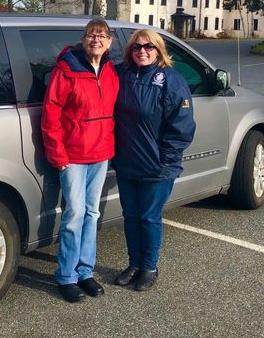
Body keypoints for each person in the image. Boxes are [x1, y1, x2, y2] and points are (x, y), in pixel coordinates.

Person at [41, 18, 119, 303]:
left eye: (102, 35)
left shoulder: (111, 70)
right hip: (73, 155)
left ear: (109, 42)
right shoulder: (67, 70)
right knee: (73, 215)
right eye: (91, 35)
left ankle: (85, 271)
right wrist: (57, 153)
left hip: (101, 154)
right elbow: (51, 114)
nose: (96, 39)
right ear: (83, 40)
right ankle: (66, 276)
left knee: (92, 213)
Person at [112, 29, 196, 291]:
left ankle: (149, 266)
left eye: (149, 47)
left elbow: (182, 126)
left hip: (157, 165)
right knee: (131, 216)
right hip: (127, 162)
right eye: (137, 47)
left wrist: (166, 160)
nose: (142, 51)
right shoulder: (121, 74)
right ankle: (134, 263)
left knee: (149, 218)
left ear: (159, 50)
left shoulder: (171, 80)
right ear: (130, 51)